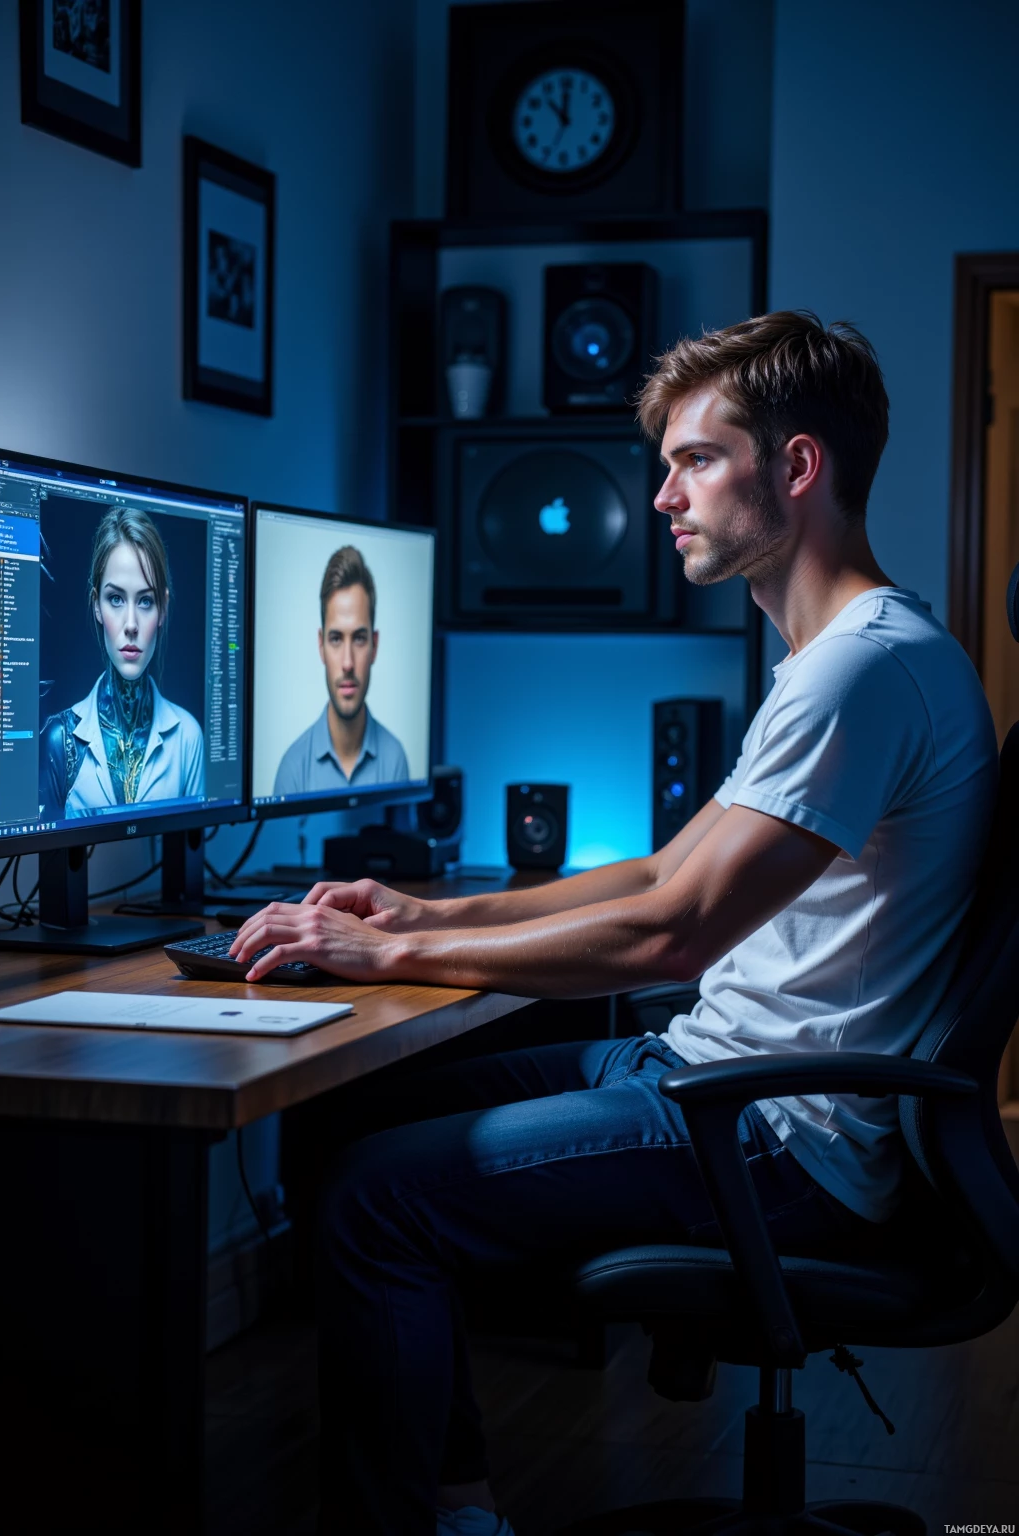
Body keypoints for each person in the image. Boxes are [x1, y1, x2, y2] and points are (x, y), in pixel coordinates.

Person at [231, 312, 998, 1536]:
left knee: (377, 1202)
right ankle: (461, 1503)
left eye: (695, 459)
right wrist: (433, 909)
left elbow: (669, 938)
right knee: (356, 1114)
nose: (661, 498)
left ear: (794, 469)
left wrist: (396, 954)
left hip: (774, 1133)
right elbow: (657, 871)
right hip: (717, 1077)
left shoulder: (862, 670)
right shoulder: (840, 659)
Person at [40, 506, 204, 820]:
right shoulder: (61, 740)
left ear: (163, 609)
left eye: (146, 600)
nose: (131, 624)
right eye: (116, 598)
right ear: (96, 606)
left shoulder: (187, 737)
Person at [272, 544, 410, 796]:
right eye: (336, 638)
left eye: (359, 638)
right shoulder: (292, 768)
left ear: (374, 645)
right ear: (321, 646)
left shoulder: (395, 758)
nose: (347, 663)